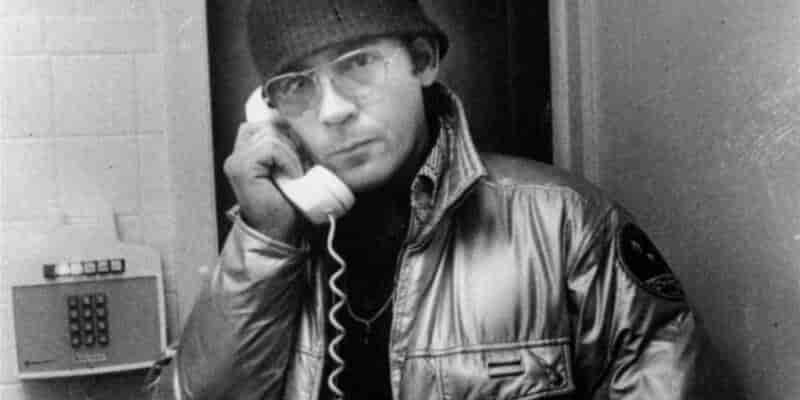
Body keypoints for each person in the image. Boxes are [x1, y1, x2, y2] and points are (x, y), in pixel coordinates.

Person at [173, 1, 702, 399]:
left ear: (423, 61)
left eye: (358, 64)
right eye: (297, 86)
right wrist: (264, 243)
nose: (332, 111)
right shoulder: (273, 243)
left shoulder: (565, 221)